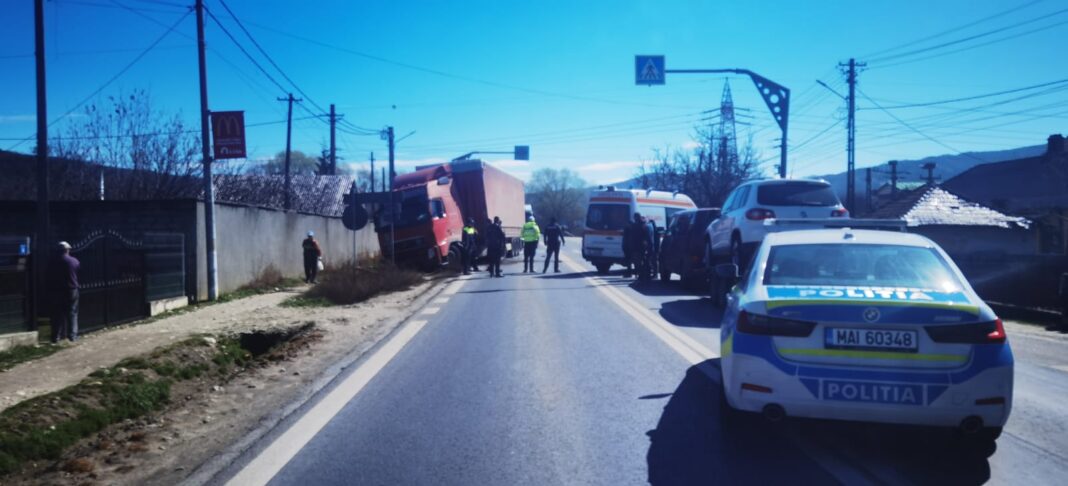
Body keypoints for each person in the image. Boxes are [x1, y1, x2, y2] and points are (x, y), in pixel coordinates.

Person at [50, 241, 80, 343]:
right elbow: (78, 269)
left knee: (58, 313)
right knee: (72, 312)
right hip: (72, 289)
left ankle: (56, 337)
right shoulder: (73, 261)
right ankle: (73, 336)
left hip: (57, 290)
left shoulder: (53, 261)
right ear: (67, 250)